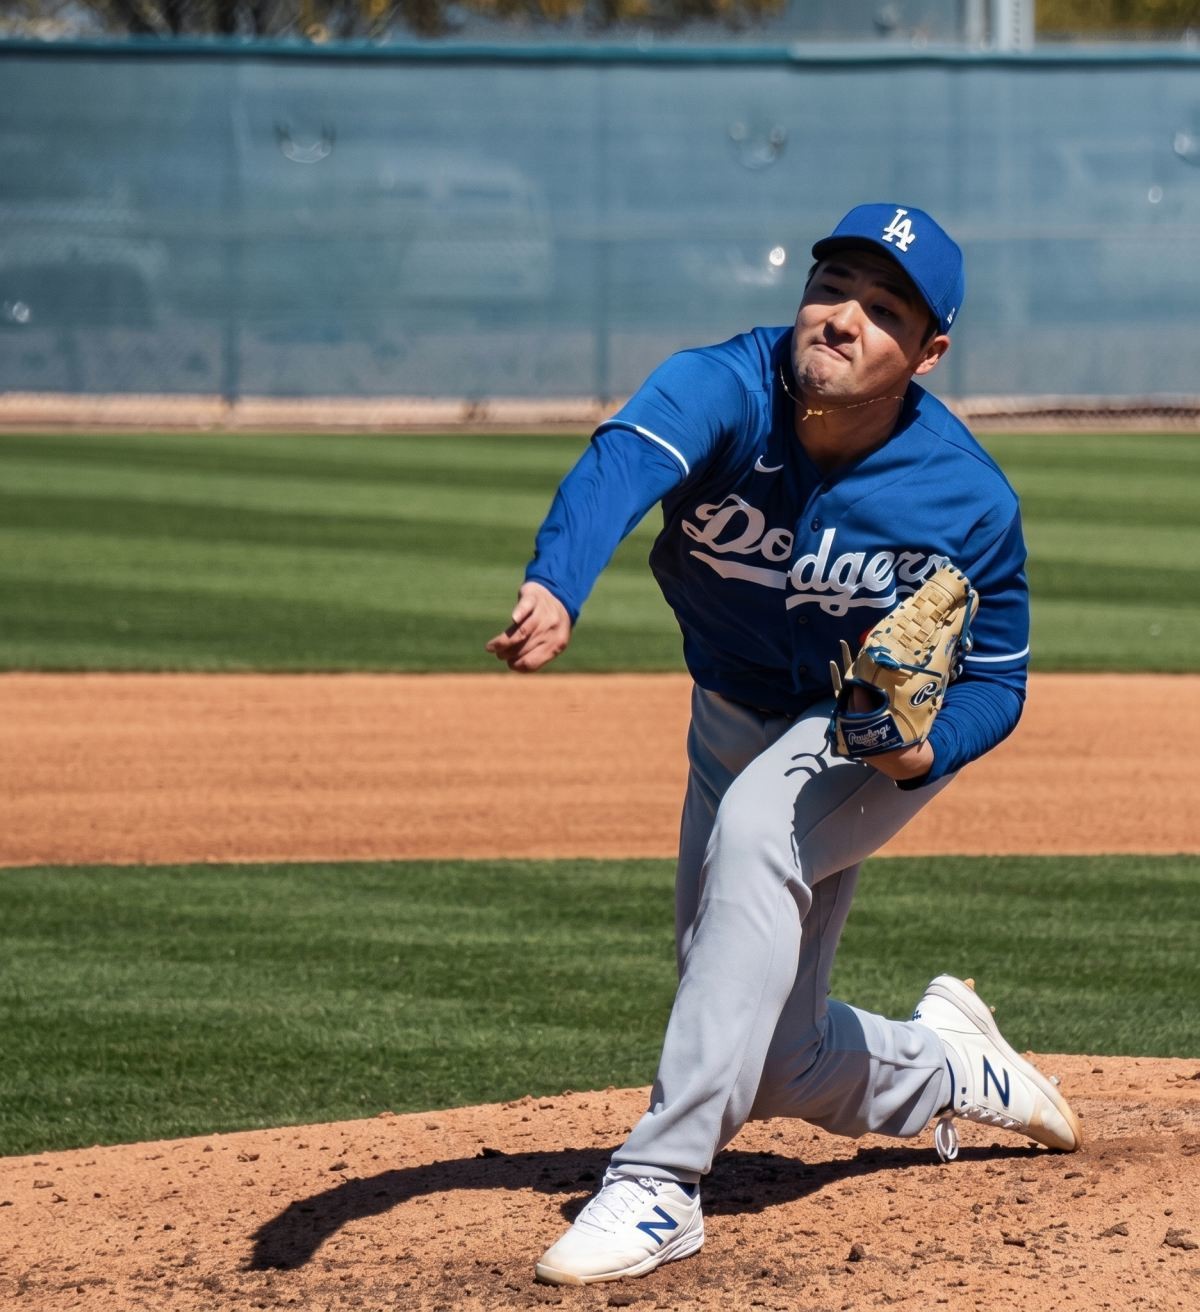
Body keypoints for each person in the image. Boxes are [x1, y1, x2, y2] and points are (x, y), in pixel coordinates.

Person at [486, 202, 1081, 1287]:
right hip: (727, 715)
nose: (844, 317)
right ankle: (950, 1066)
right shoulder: (725, 385)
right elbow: (623, 461)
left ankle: (661, 1182)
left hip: (850, 737)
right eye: (832, 288)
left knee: (765, 829)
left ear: (929, 351)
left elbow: (998, 679)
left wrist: (917, 756)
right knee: (764, 1046)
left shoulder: (966, 495)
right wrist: (557, 581)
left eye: (884, 308)